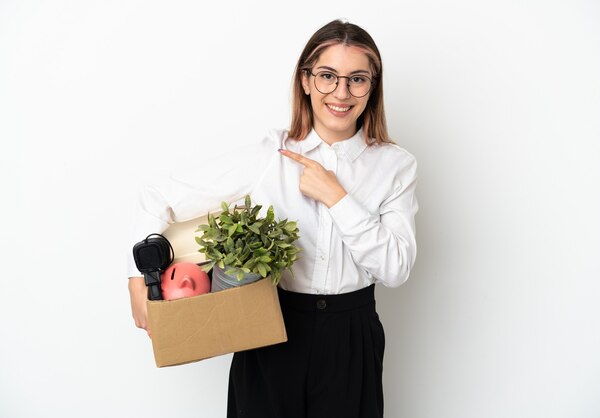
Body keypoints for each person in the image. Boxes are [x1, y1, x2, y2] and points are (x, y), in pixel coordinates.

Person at [127, 19, 418, 418]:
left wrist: (337, 197)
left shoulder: (395, 166)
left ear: (373, 86)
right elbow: (158, 197)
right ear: (305, 80)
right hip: (268, 326)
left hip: (352, 337)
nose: (341, 92)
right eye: (327, 76)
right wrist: (136, 280)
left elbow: (395, 268)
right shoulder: (270, 157)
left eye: (357, 79)